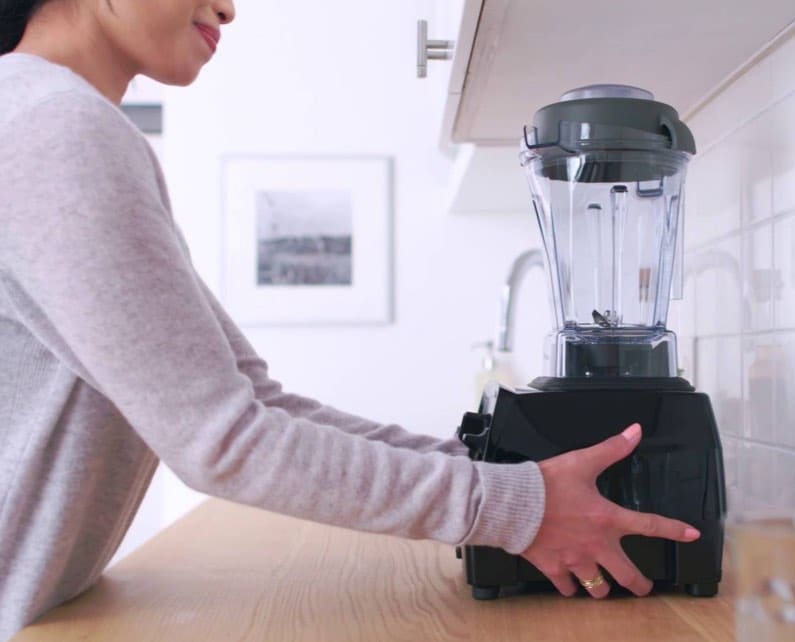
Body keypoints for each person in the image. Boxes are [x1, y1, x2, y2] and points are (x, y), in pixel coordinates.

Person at [0, 1, 701, 638]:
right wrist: (510, 506)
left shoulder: (44, 116)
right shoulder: (54, 125)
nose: (228, 8)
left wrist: (490, 471)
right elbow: (224, 440)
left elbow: (254, 399)